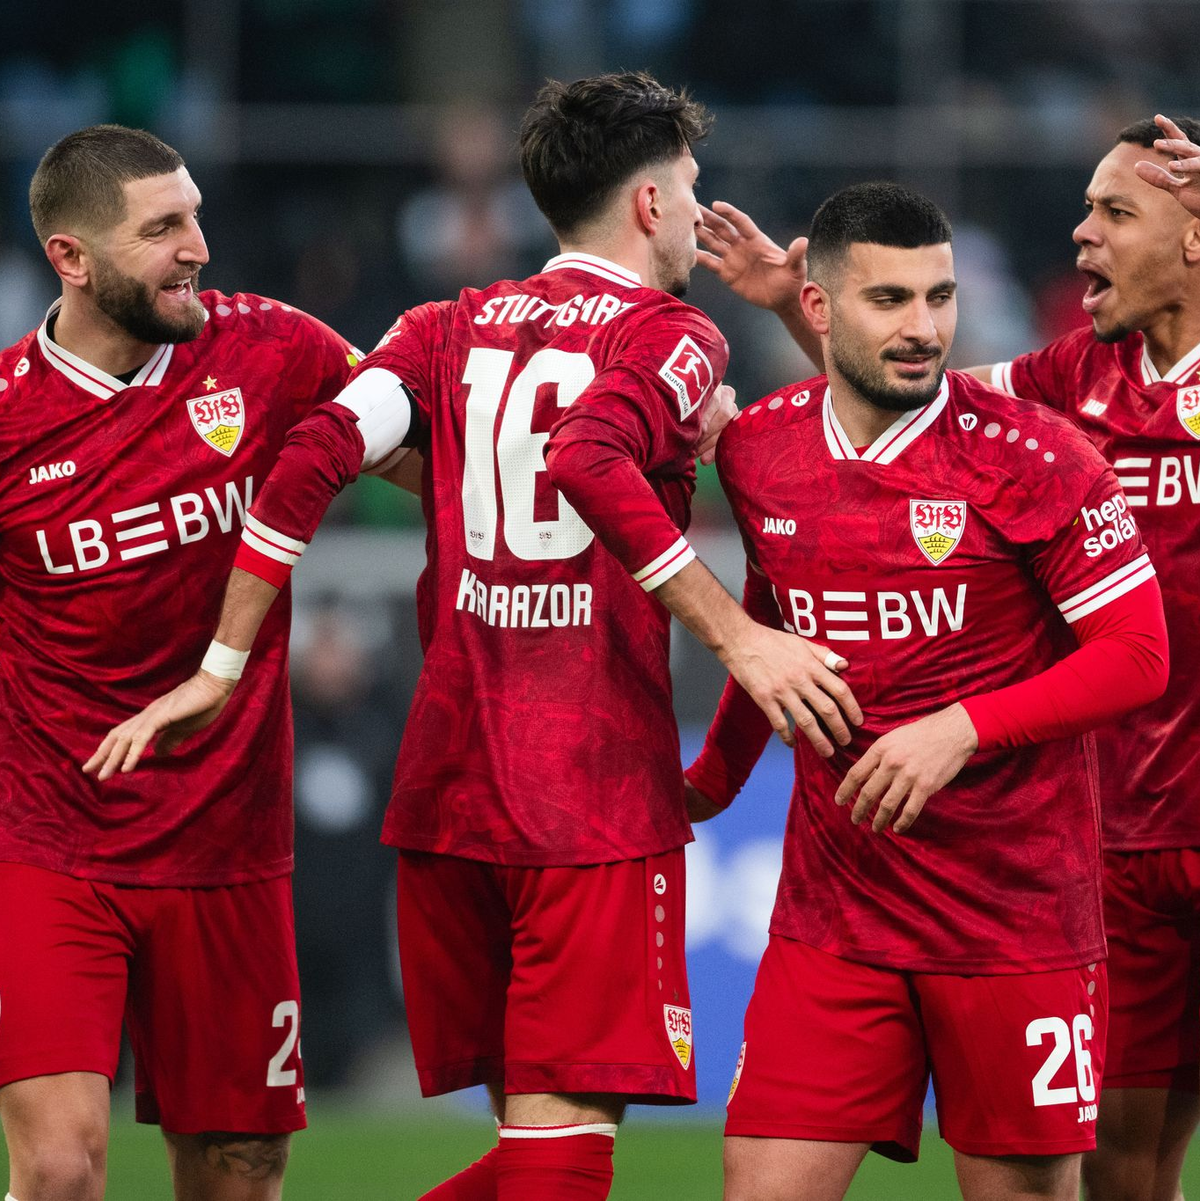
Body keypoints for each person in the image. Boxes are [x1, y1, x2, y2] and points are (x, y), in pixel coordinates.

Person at [86, 73, 862, 1201]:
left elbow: (309, 461)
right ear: (648, 205)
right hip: (584, 798)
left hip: (450, 794)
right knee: (563, 1167)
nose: (701, 212)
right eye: (691, 189)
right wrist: (735, 633)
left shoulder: (441, 328)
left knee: (536, 1150)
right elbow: (589, 457)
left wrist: (221, 661)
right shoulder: (675, 336)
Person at [697, 115, 1200, 1201]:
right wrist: (801, 302)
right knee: (1124, 1170)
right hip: (1114, 824)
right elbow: (928, 414)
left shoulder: (1061, 440)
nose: (1082, 235)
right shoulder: (1074, 382)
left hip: (1033, 876)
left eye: (1115, 211)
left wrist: (961, 727)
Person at [0, 126, 366, 1201]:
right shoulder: (9, 420)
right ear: (72, 258)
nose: (198, 247)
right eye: (161, 229)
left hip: (229, 843)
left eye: (195, 215)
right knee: (61, 1167)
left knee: (239, 1168)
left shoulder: (270, 349)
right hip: (54, 843)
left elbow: (421, 442)